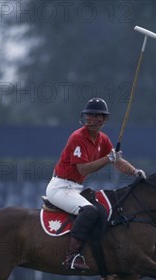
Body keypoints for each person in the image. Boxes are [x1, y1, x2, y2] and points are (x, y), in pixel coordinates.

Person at [46, 98, 146, 271]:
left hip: (75, 188)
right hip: (60, 187)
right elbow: (83, 169)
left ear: (103, 119)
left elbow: (117, 160)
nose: (91, 119)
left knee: (102, 211)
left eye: (96, 116)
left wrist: (134, 171)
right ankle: (71, 257)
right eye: (89, 115)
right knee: (89, 211)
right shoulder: (77, 137)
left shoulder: (103, 139)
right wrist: (108, 159)